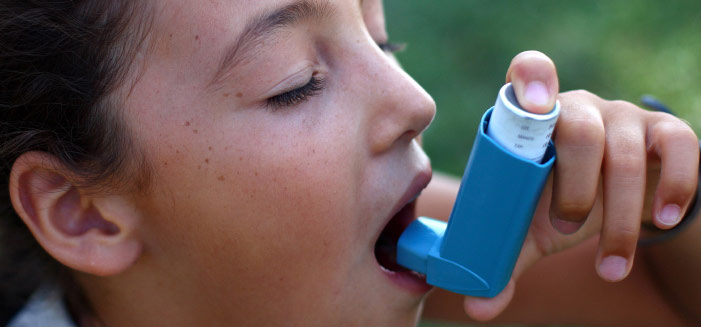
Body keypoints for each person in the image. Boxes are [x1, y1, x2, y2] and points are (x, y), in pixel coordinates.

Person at [0, 0, 698, 326]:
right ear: (81, 210)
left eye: (381, 39)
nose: (415, 100)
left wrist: (661, 197)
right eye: (294, 81)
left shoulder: (406, 248)